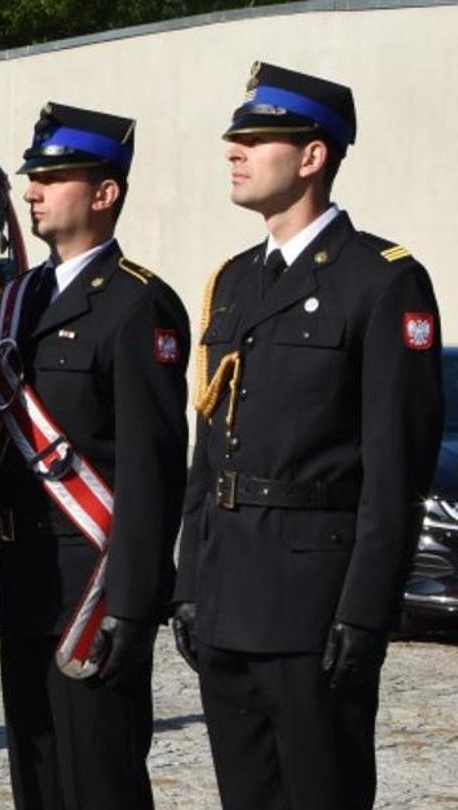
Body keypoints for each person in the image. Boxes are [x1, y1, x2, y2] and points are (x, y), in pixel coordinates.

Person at [172, 63, 443, 810]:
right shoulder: (234, 281)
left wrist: (365, 609)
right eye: (236, 138)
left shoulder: (382, 280)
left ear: (313, 155)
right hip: (230, 594)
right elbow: (210, 450)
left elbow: (397, 469)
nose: (236, 151)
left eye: (256, 139)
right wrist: (190, 581)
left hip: (313, 605)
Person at [0, 103, 189, 810]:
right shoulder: (18, 301)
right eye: (33, 176)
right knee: (38, 781)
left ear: (104, 194)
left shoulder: (137, 306)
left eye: (52, 177)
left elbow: (155, 471)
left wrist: (132, 599)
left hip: (93, 591)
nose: (31, 189)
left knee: (101, 782)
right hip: (25, 581)